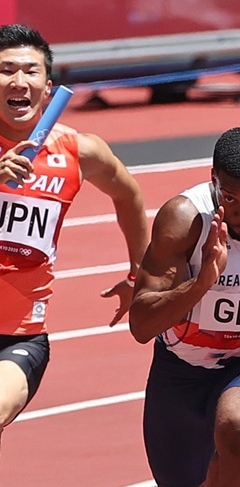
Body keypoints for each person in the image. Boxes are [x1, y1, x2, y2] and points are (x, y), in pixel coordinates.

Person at [0, 24, 149, 487]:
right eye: (6, 71)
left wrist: (139, 272)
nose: (19, 80)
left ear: (48, 86)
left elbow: (130, 195)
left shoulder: (79, 148)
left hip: (18, 338)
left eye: (30, 70)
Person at [129, 127, 240, 487]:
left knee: (235, 426)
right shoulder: (185, 219)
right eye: (232, 198)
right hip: (182, 367)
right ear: (213, 182)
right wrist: (202, 282)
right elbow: (142, 325)